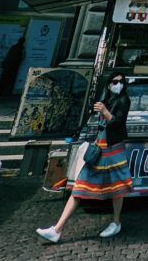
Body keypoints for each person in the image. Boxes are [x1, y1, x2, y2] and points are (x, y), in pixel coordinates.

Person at [36, 72, 132, 243]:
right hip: (100, 150)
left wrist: (104, 111)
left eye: (122, 82)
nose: (120, 85)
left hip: (113, 150)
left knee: (117, 189)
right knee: (79, 188)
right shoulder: (106, 99)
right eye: (116, 82)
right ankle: (57, 229)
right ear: (108, 84)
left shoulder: (124, 100)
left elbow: (118, 122)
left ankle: (116, 222)